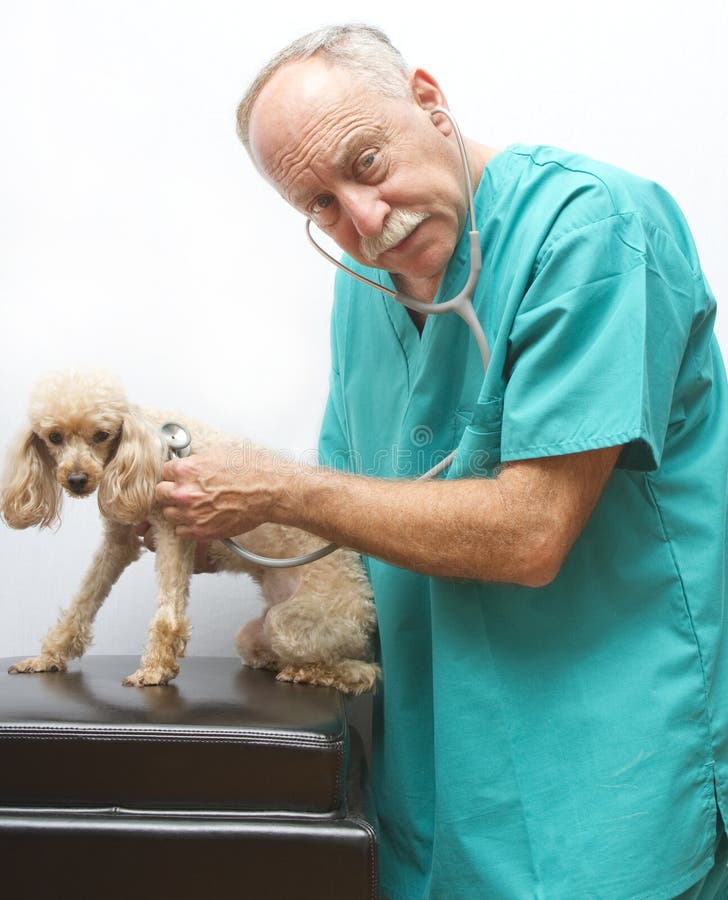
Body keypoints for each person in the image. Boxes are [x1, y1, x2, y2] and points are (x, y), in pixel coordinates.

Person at [154, 24, 728, 900]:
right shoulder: (366, 288)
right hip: (434, 792)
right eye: (320, 204)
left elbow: (530, 535)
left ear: (429, 100)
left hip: (607, 788)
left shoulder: (593, 231)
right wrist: (244, 538)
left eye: (367, 162)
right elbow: (350, 526)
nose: (367, 221)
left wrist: (281, 490)